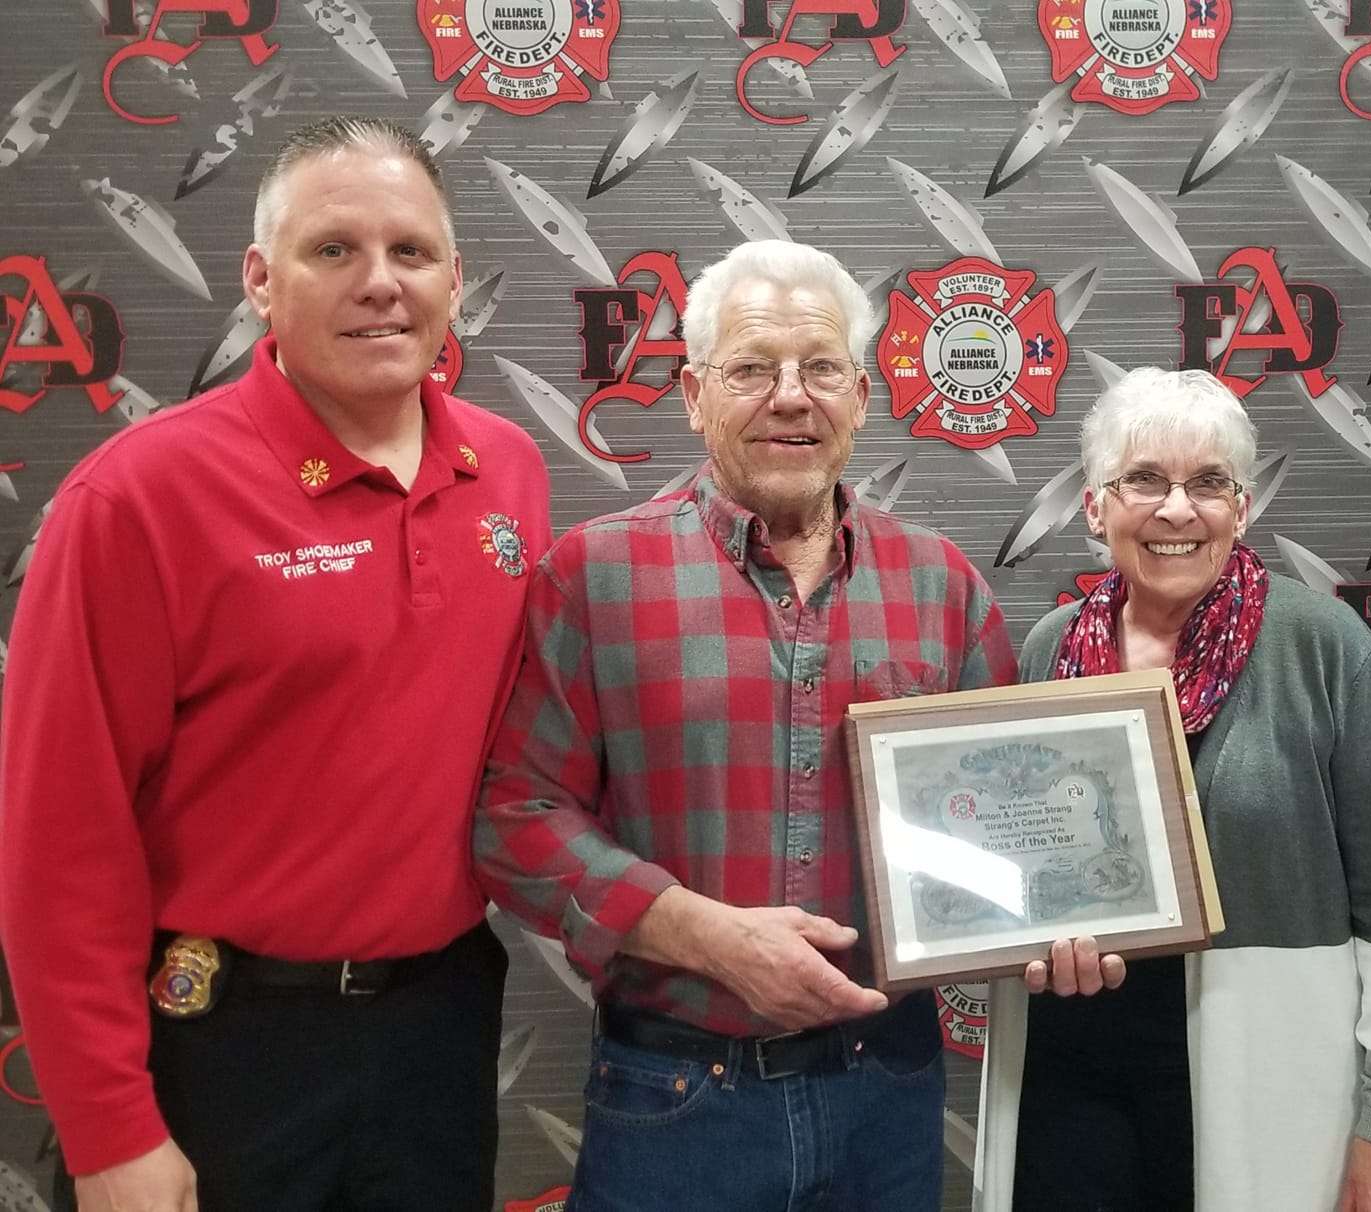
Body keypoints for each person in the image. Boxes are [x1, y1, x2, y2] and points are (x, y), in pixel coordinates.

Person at [0, 116, 551, 1212]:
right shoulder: (139, 499)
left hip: (437, 1033)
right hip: (216, 1046)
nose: (380, 284)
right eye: (333, 250)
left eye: (411, 252)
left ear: (454, 281)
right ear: (261, 278)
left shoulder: (511, 472)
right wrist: (110, 1133)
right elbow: (60, 838)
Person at [475, 239, 1027, 1211]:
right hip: (677, 1100)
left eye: (819, 369)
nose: (789, 396)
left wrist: (1055, 922)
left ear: (860, 395)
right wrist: (703, 936)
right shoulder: (596, 575)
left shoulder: (942, 587)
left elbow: (1006, 831)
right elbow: (516, 815)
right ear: (692, 395)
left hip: (889, 1096)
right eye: (750, 370)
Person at [975, 368, 1371, 1212]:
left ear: (1244, 506)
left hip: (1264, 1081)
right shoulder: (1049, 651)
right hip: (1070, 1074)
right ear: (1094, 506)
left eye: (1208, 484)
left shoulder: (1324, 649)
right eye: (1144, 480)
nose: (1177, 510)